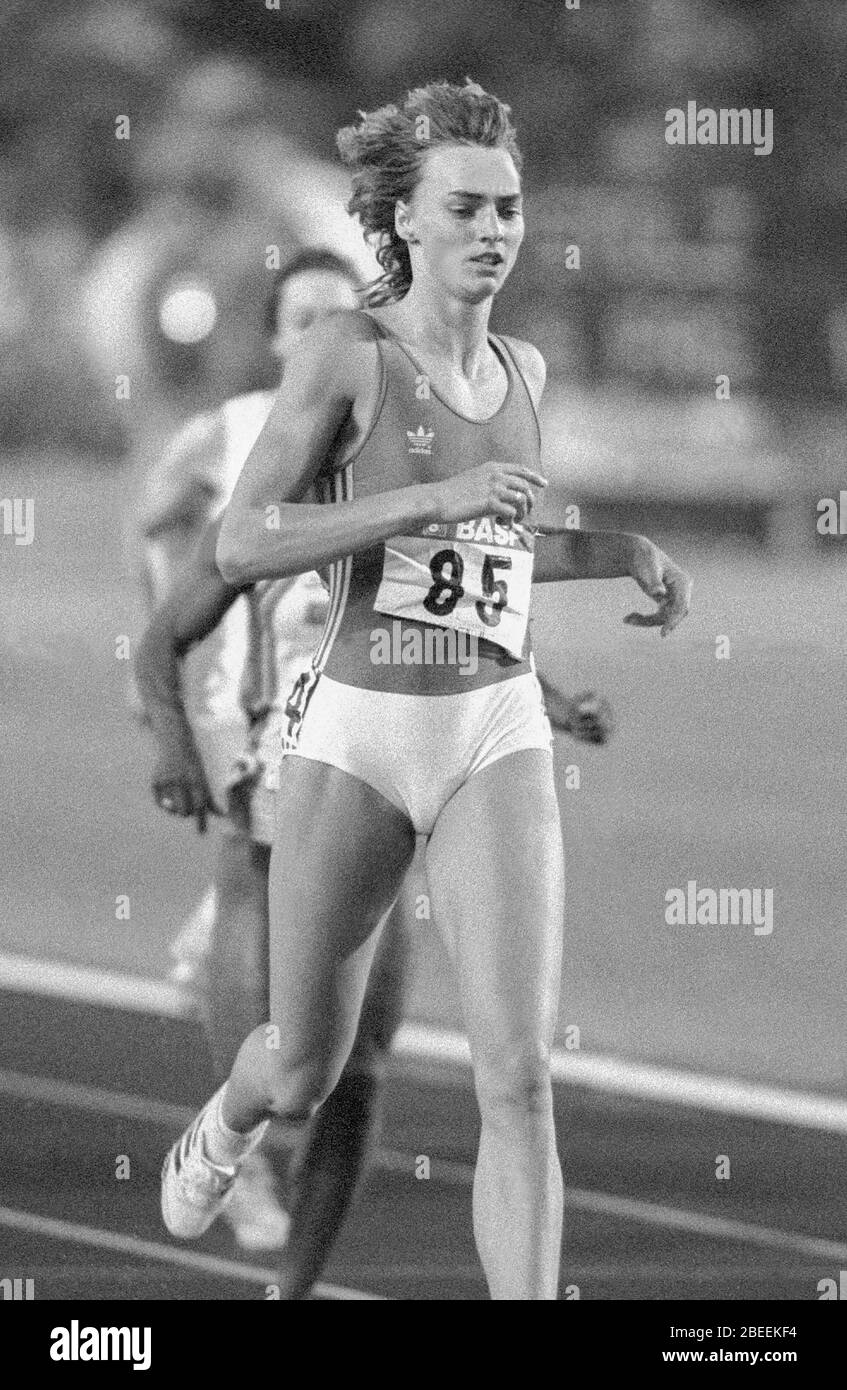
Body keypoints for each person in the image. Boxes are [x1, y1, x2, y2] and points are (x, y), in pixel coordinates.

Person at [161, 79, 691, 1300]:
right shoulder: (349, 354)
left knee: (516, 1075)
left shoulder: (526, 369)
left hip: (490, 725)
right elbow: (240, 543)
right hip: (356, 730)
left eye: (508, 206)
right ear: (403, 222)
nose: (495, 229)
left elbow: (494, 558)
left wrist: (618, 554)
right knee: (303, 1063)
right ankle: (231, 1117)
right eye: (467, 208)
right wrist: (422, 499)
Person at [137, 250, 366, 1255]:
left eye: (339, 312)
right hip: (250, 692)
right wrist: (157, 646)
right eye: (303, 314)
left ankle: (288, 1062)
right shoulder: (228, 430)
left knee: (340, 915)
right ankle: (252, 1160)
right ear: (275, 335)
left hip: (360, 698)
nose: (323, 328)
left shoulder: (377, 422)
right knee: (250, 875)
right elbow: (154, 522)